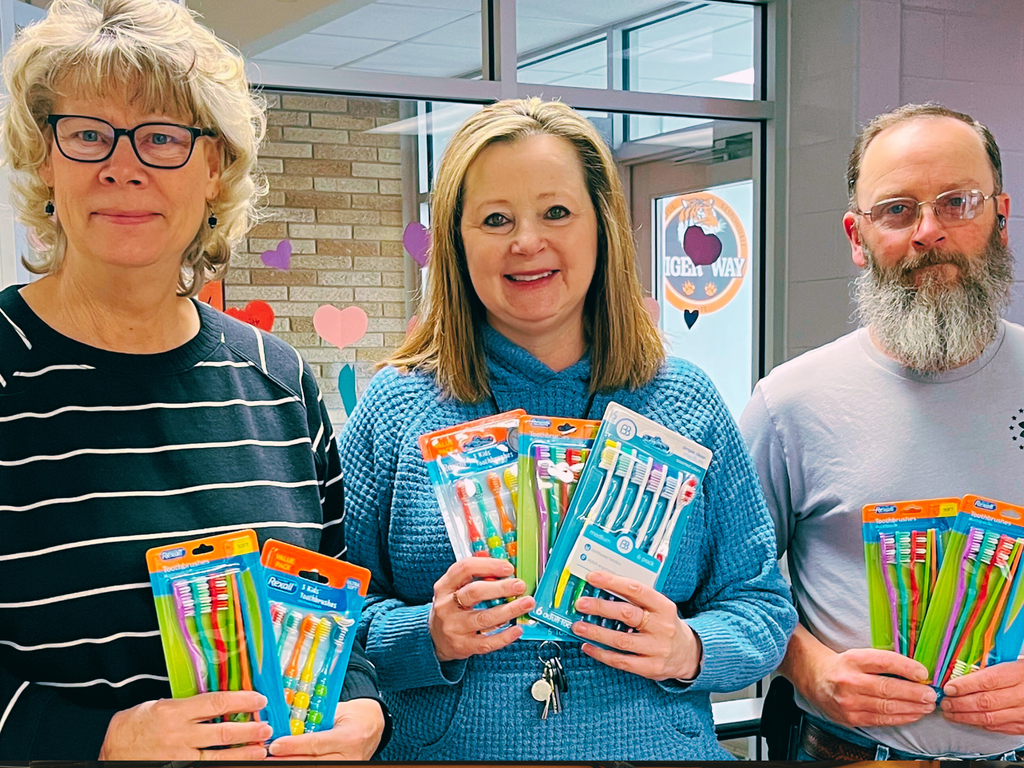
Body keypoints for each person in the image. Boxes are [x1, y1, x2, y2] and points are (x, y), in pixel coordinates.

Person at [339, 97, 797, 761]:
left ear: (602, 226)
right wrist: (426, 633)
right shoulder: (397, 407)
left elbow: (760, 607)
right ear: (456, 242)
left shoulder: (684, 400)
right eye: (496, 219)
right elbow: (325, 618)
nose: (528, 241)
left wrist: (688, 647)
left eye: (556, 212)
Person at [0, 0, 388, 760]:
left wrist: (364, 705)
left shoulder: (278, 381)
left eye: (163, 137)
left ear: (216, 168)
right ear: (44, 159)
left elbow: (343, 605)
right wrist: (103, 738)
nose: (123, 165)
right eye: (87, 134)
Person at [740, 103, 1024, 760]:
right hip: (839, 752)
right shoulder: (789, 403)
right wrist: (804, 665)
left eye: (959, 202)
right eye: (897, 210)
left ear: (1001, 218)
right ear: (856, 236)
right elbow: (726, 583)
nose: (930, 231)